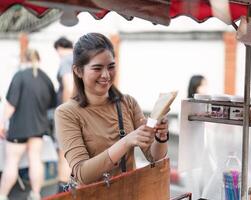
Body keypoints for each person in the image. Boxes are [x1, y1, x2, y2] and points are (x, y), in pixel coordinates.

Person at [54, 33, 169, 185]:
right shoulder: (66, 113)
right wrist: (126, 142)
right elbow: (82, 173)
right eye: (97, 68)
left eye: (111, 66)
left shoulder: (128, 103)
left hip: (129, 194)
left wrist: (160, 137)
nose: (106, 75)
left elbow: (154, 157)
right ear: (78, 71)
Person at [0, 49, 56, 200]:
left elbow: (10, 105)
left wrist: (1, 123)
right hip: (38, 129)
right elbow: (51, 105)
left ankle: (3, 195)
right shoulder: (46, 79)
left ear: (23, 60)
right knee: (35, 160)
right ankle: (36, 194)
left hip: (19, 128)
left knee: (11, 163)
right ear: (39, 59)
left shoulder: (19, 76)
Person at [53, 37, 74, 190]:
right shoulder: (80, 59)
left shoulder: (66, 60)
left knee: (64, 152)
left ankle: (63, 190)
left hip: (69, 113)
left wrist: (66, 111)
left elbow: (68, 85)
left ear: (59, 48)